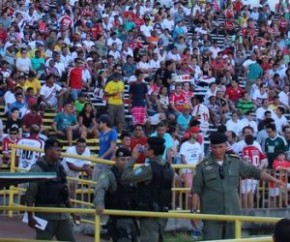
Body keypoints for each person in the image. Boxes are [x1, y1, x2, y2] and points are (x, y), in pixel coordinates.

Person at [191, 132, 285, 241]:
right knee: (212, 240)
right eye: (214, 147)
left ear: (226, 146)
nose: (217, 150)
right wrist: (193, 212)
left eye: (220, 147)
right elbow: (196, 190)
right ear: (211, 147)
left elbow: (255, 172)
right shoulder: (203, 166)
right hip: (212, 214)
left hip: (232, 212)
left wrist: (274, 180)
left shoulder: (235, 161)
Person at [121, 137, 175, 242]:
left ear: (151, 152)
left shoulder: (149, 168)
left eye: (146, 147)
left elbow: (125, 177)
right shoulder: (167, 166)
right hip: (162, 212)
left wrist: (133, 158)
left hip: (149, 214)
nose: (143, 149)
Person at [24, 138, 78, 241]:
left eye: (60, 150)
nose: (59, 153)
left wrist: (72, 212)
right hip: (45, 215)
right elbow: (31, 194)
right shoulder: (37, 168)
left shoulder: (60, 167)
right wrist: (30, 216)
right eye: (57, 150)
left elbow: (65, 193)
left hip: (62, 215)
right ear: (48, 151)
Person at [94, 148, 138, 242]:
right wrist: (99, 204)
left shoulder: (132, 174)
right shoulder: (109, 173)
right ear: (116, 160)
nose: (125, 162)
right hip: (118, 219)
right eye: (122, 159)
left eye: (128, 160)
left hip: (132, 217)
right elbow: (100, 188)